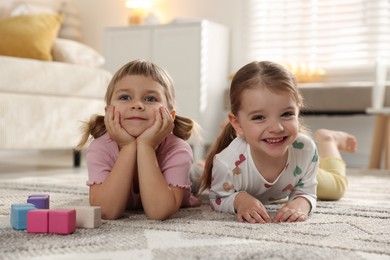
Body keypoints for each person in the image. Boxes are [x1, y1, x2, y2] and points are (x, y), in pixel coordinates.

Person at [198, 60, 357, 224]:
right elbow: (217, 198)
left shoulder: (306, 150)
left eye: (287, 114)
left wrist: (301, 203)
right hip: (262, 164)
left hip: (295, 168)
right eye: (259, 117)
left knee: (336, 188)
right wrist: (240, 200)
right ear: (237, 123)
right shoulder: (227, 163)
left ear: (298, 110)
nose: (276, 128)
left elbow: (307, 191)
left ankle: (329, 140)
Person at [77, 60, 201, 220]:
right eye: (125, 97)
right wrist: (127, 146)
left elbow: (159, 212)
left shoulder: (178, 149)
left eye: (150, 99)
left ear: (170, 115)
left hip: (187, 177)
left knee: (200, 176)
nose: (137, 105)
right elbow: (106, 211)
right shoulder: (100, 147)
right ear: (108, 112)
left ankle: (200, 166)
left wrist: (146, 146)